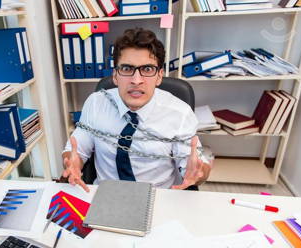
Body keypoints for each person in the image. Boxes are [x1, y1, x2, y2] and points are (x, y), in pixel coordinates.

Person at [62, 28, 211, 192]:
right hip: (106, 194)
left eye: (147, 69)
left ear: (159, 76)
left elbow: (194, 167)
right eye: (126, 69)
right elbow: (75, 151)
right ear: (115, 75)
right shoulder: (96, 103)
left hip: (159, 196)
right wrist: (73, 164)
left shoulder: (180, 113)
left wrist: (200, 172)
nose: (136, 80)